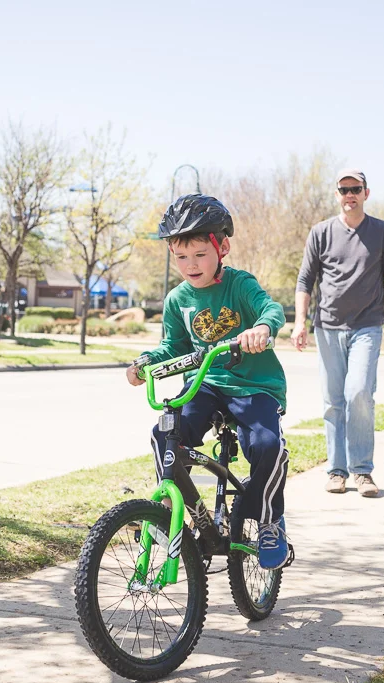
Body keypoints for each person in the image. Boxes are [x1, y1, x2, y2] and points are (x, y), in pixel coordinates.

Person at [127, 194, 290, 569]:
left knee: (267, 445)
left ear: (222, 248)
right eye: (181, 256)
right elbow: (173, 346)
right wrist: (145, 363)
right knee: (165, 433)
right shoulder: (177, 299)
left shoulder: (239, 285)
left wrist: (263, 328)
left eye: (200, 254)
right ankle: (174, 512)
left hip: (253, 386)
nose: (191, 264)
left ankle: (267, 518)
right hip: (205, 384)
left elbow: (270, 308)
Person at [291, 169, 384, 497]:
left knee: (359, 393)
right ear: (337, 194)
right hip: (327, 327)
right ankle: (337, 471)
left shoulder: (382, 232)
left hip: (367, 326)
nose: (349, 195)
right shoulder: (321, 232)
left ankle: (362, 471)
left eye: (355, 189)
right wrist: (300, 322)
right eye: (344, 190)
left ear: (366, 193)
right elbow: (305, 279)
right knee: (333, 401)